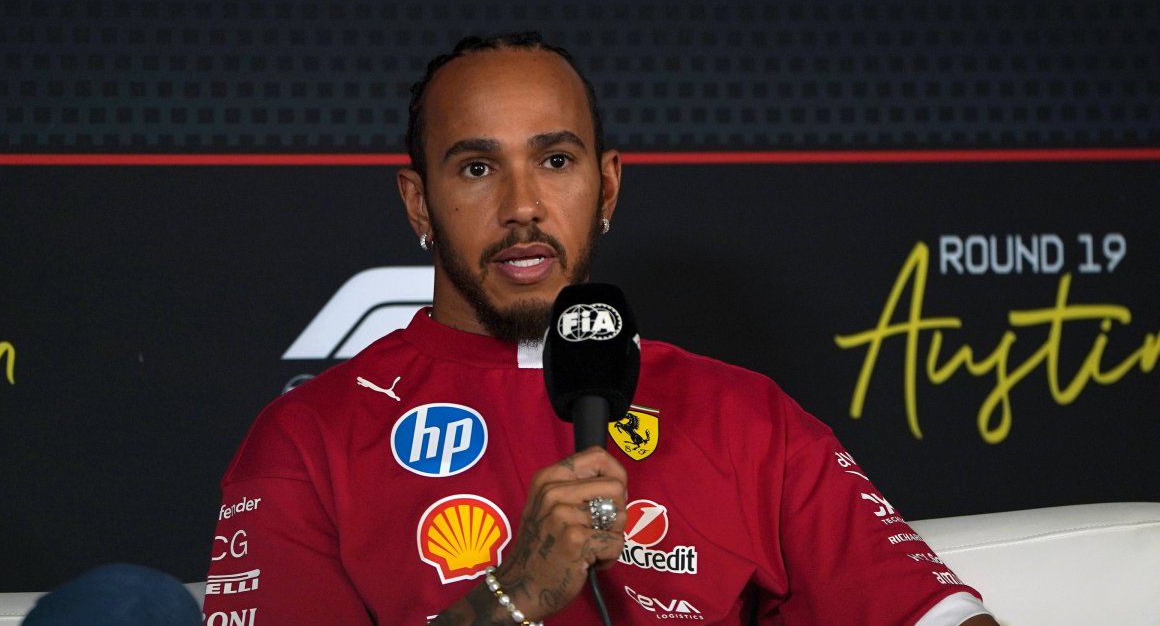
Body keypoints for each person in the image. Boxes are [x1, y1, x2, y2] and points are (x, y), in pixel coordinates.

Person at [202, 32, 999, 625]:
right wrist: (510, 596)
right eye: (477, 168)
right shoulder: (306, 440)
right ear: (419, 203)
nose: (522, 205)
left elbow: (934, 614)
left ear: (607, 185)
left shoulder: (745, 415)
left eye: (555, 161)